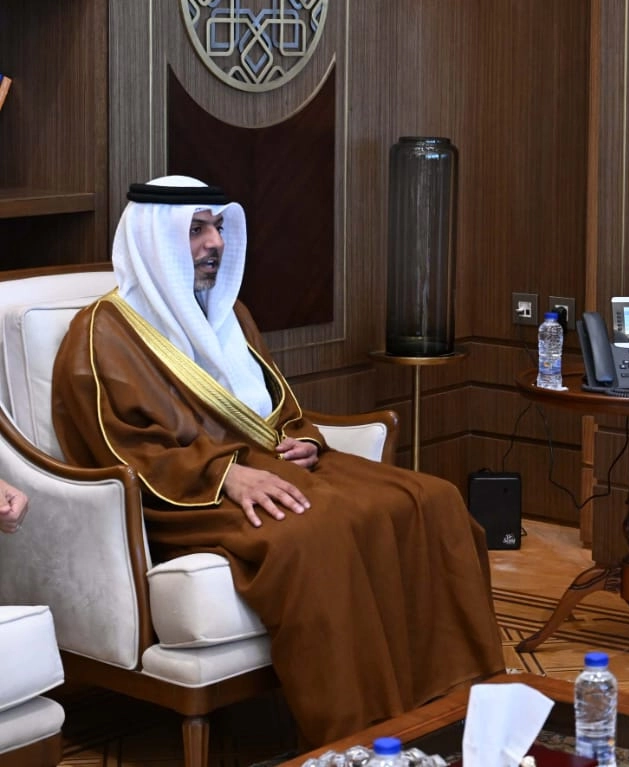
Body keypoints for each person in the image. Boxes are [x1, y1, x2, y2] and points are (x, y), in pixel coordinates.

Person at [51, 176, 505, 747]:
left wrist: (305, 438)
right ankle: (356, 735)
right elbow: (120, 445)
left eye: (218, 227)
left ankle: (456, 703)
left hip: (268, 463)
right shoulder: (101, 332)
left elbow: (273, 402)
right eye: (196, 230)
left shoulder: (228, 312)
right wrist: (225, 474)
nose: (215, 243)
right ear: (153, 240)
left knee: (431, 497)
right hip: (183, 494)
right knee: (314, 531)